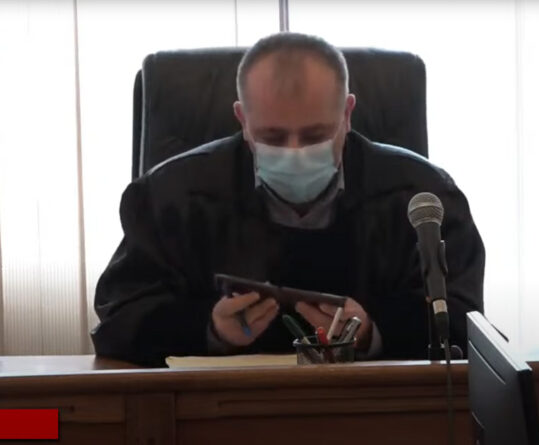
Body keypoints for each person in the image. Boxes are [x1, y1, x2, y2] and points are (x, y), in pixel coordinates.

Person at [91, 32, 485, 366]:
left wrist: (372, 330)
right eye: (273, 137)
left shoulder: (422, 196)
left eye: (315, 135)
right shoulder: (170, 196)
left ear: (347, 114)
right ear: (243, 120)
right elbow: (120, 319)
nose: (295, 153)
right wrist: (207, 328)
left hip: (374, 408)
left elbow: (463, 322)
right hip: (222, 408)